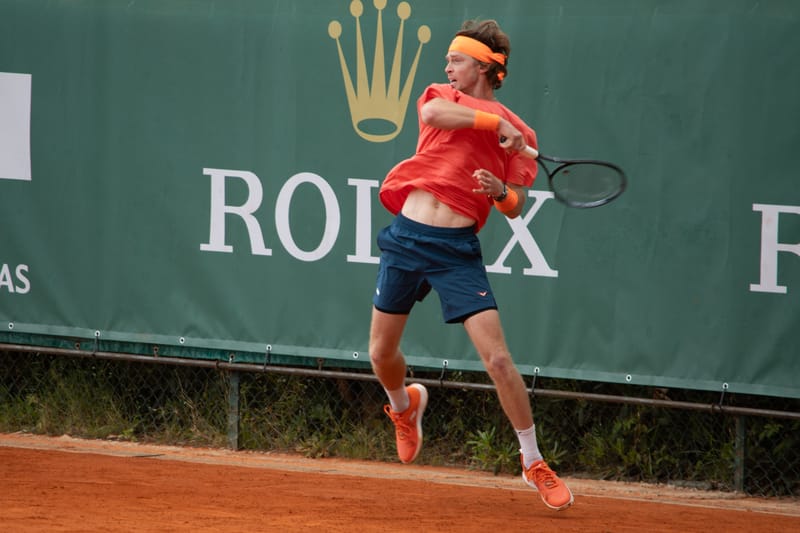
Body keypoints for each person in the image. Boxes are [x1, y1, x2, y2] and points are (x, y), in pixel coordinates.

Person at [367, 19, 574, 511]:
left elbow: (516, 203)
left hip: (457, 249)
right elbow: (437, 112)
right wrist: (493, 123)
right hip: (407, 237)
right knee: (380, 354)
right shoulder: (443, 96)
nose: (447, 67)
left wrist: (501, 191)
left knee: (499, 360)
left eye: (455, 60)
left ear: (482, 66)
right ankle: (404, 406)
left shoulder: (521, 134)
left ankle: (532, 461)